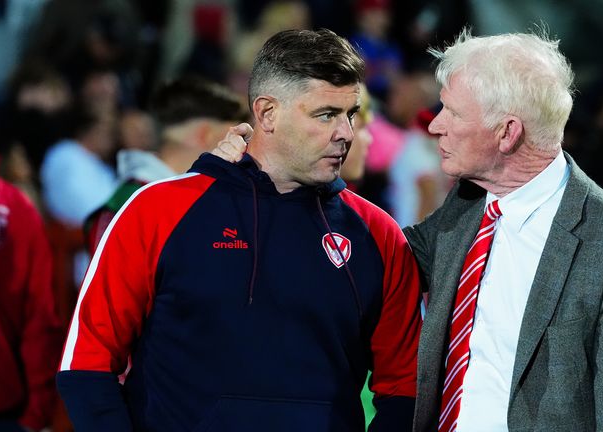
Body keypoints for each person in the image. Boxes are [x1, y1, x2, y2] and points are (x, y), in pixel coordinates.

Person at [215, 29, 603, 432]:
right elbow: (375, 255)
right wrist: (266, 176)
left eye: (451, 112)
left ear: (507, 133)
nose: (435, 125)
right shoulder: (468, 204)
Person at [56, 29, 422, 432]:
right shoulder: (157, 211)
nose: (346, 133)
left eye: (350, 114)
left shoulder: (378, 234)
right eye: (325, 115)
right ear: (266, 113)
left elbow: (405, 387)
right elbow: (87, 363)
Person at [84, 76, 247, 254]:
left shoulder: (193, 199)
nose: (243, 149)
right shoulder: (128, 203)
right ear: (204, 135)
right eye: (236, 138)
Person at [0, 174, 62, 432]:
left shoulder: (15, 206)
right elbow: (40, 316)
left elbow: (40, 316)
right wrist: (37, 414)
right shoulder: (14, 205)